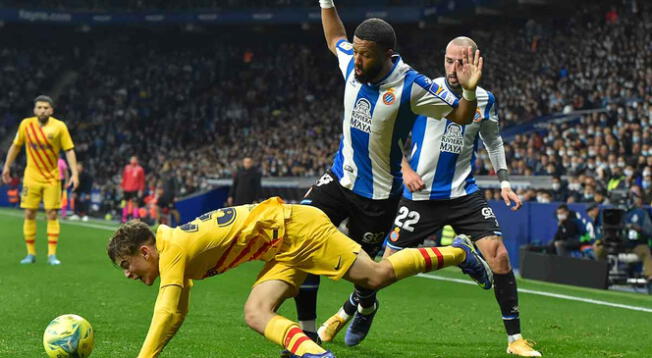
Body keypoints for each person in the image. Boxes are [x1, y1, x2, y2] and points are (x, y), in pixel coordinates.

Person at [322, 36, 540, 356]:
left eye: (461, 62)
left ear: (475, 61)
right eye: (449, 61)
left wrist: (504, 181)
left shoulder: (484, 99)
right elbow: (389, 134)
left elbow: (493, 142)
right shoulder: (423, 88)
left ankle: (515, 340)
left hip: (464, 194)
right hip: (420, 196)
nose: (454, 68)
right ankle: (347, 312)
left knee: (500, 257)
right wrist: (406, 168)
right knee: (381, 272)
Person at [291, 0, 483, 347]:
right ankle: (306, 338)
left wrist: (468, 90)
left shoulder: (413, 86)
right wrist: (326, 3)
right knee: (302, 242)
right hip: (339, 178)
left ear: (387, 54)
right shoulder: (352, 61)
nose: (358, 60)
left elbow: (463, 116)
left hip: (377, 197)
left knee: (367, 278)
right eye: (357, 52)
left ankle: (367, 306)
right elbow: (335, 37)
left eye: (366, 55)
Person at [106, 197, 492, 358]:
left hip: (299, 230)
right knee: (256, 312)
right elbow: (176, 313)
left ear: (145, 251)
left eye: (127, 266)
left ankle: (458, 251)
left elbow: (166, 310)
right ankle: (315, 353)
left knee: (374, 276)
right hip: (282, 247)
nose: (127, 275)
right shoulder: (174, 251)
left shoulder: (171, 249)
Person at [1, 95, 79, 265]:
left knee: (52, 214)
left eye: (46, 107)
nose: (42, 110)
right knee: (29, 213)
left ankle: (52, 255)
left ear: (51, 110)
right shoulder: (26, 124)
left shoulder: (59, 127)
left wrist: (74, 173)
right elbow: (15, 146)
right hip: (31, 177)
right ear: (34, 109)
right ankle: (31, 254)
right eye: (39, 107)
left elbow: (69, 150)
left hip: (52, 177)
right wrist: (6, 166)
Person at [121, 155, 145, 223]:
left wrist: (141, 189)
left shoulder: (140, 169)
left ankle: (135, 218)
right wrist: (122, 187)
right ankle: (124, 218)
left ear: (137, 160)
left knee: (135, 204)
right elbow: (124, 178)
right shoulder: (127, 167)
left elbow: (142, 180)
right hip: (126, 188)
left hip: (135, 189)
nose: (133, 160)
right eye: (132, 159)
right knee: (124, 203)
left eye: (134, 159)